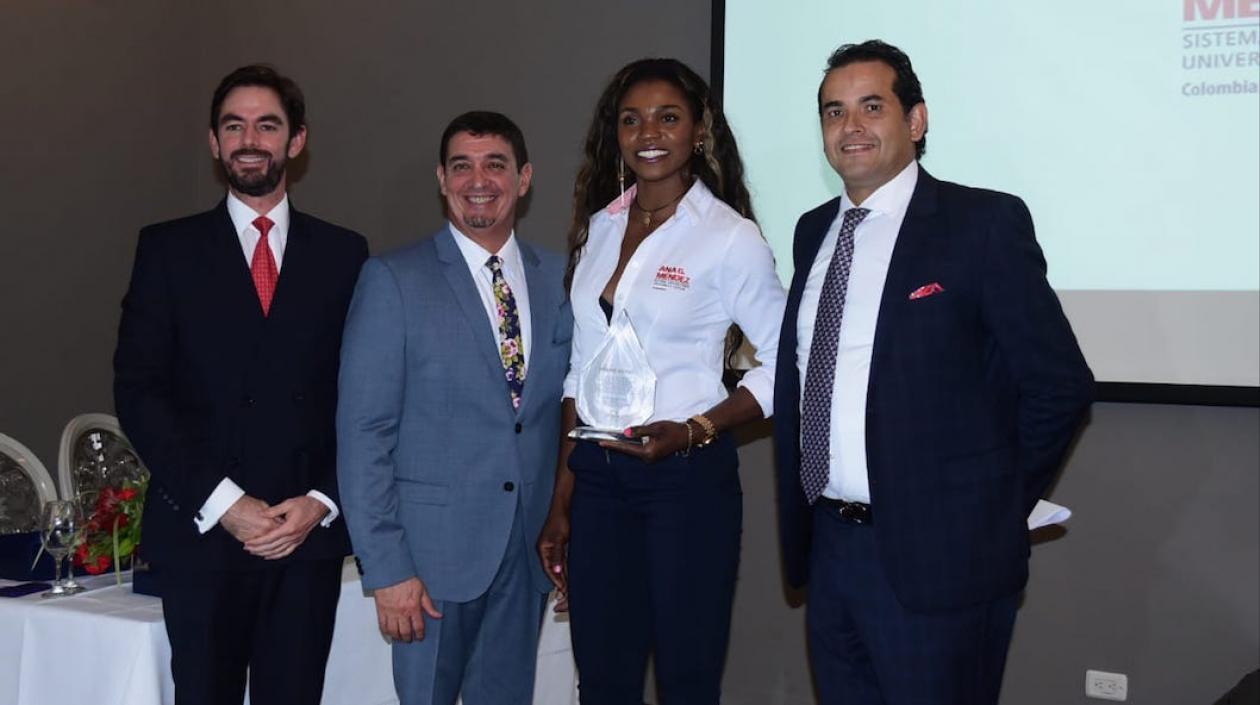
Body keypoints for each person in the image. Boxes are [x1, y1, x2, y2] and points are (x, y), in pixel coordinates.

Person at [773, 40, 1095, 705]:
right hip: (831, 550)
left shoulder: (981, 224)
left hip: (945, 561)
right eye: (834, 112)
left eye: (871, 106)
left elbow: (1058, 384)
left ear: (916, 121)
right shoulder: (812, 232)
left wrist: (990, 510)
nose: (851, 127)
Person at [113, 64, 368, 705]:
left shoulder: (346, 255)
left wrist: (321, 501)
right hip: (202, 537)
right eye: (234, 125)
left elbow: (367, 400)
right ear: (213, 141)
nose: (249, 139)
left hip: (303, 538)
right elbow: (139, 392)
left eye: (267, 124)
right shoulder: (167, 250)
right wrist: (226, 503)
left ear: (296, 141)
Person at [537, 58, 787, 704]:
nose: (648, 131)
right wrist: (562, 498)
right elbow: (578, 374)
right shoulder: (599, 227)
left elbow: (790, 363)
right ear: (615, 134)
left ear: (698, 131)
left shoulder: (730, 239)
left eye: (667, 116)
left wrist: (697, 427)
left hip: (686, 483)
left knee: (687, 680)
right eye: (632, 119)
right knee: (603, 682)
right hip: (597, 478)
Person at [336, 111, 571, 705]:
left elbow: (566, 415)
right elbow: (364, 434)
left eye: (496, 164)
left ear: (524, 179)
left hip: (526, 558)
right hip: (430, 566)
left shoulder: (558, 279)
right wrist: (387, 569)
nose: (479, 179)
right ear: (442, 180)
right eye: (461, 166)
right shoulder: (393, 280)